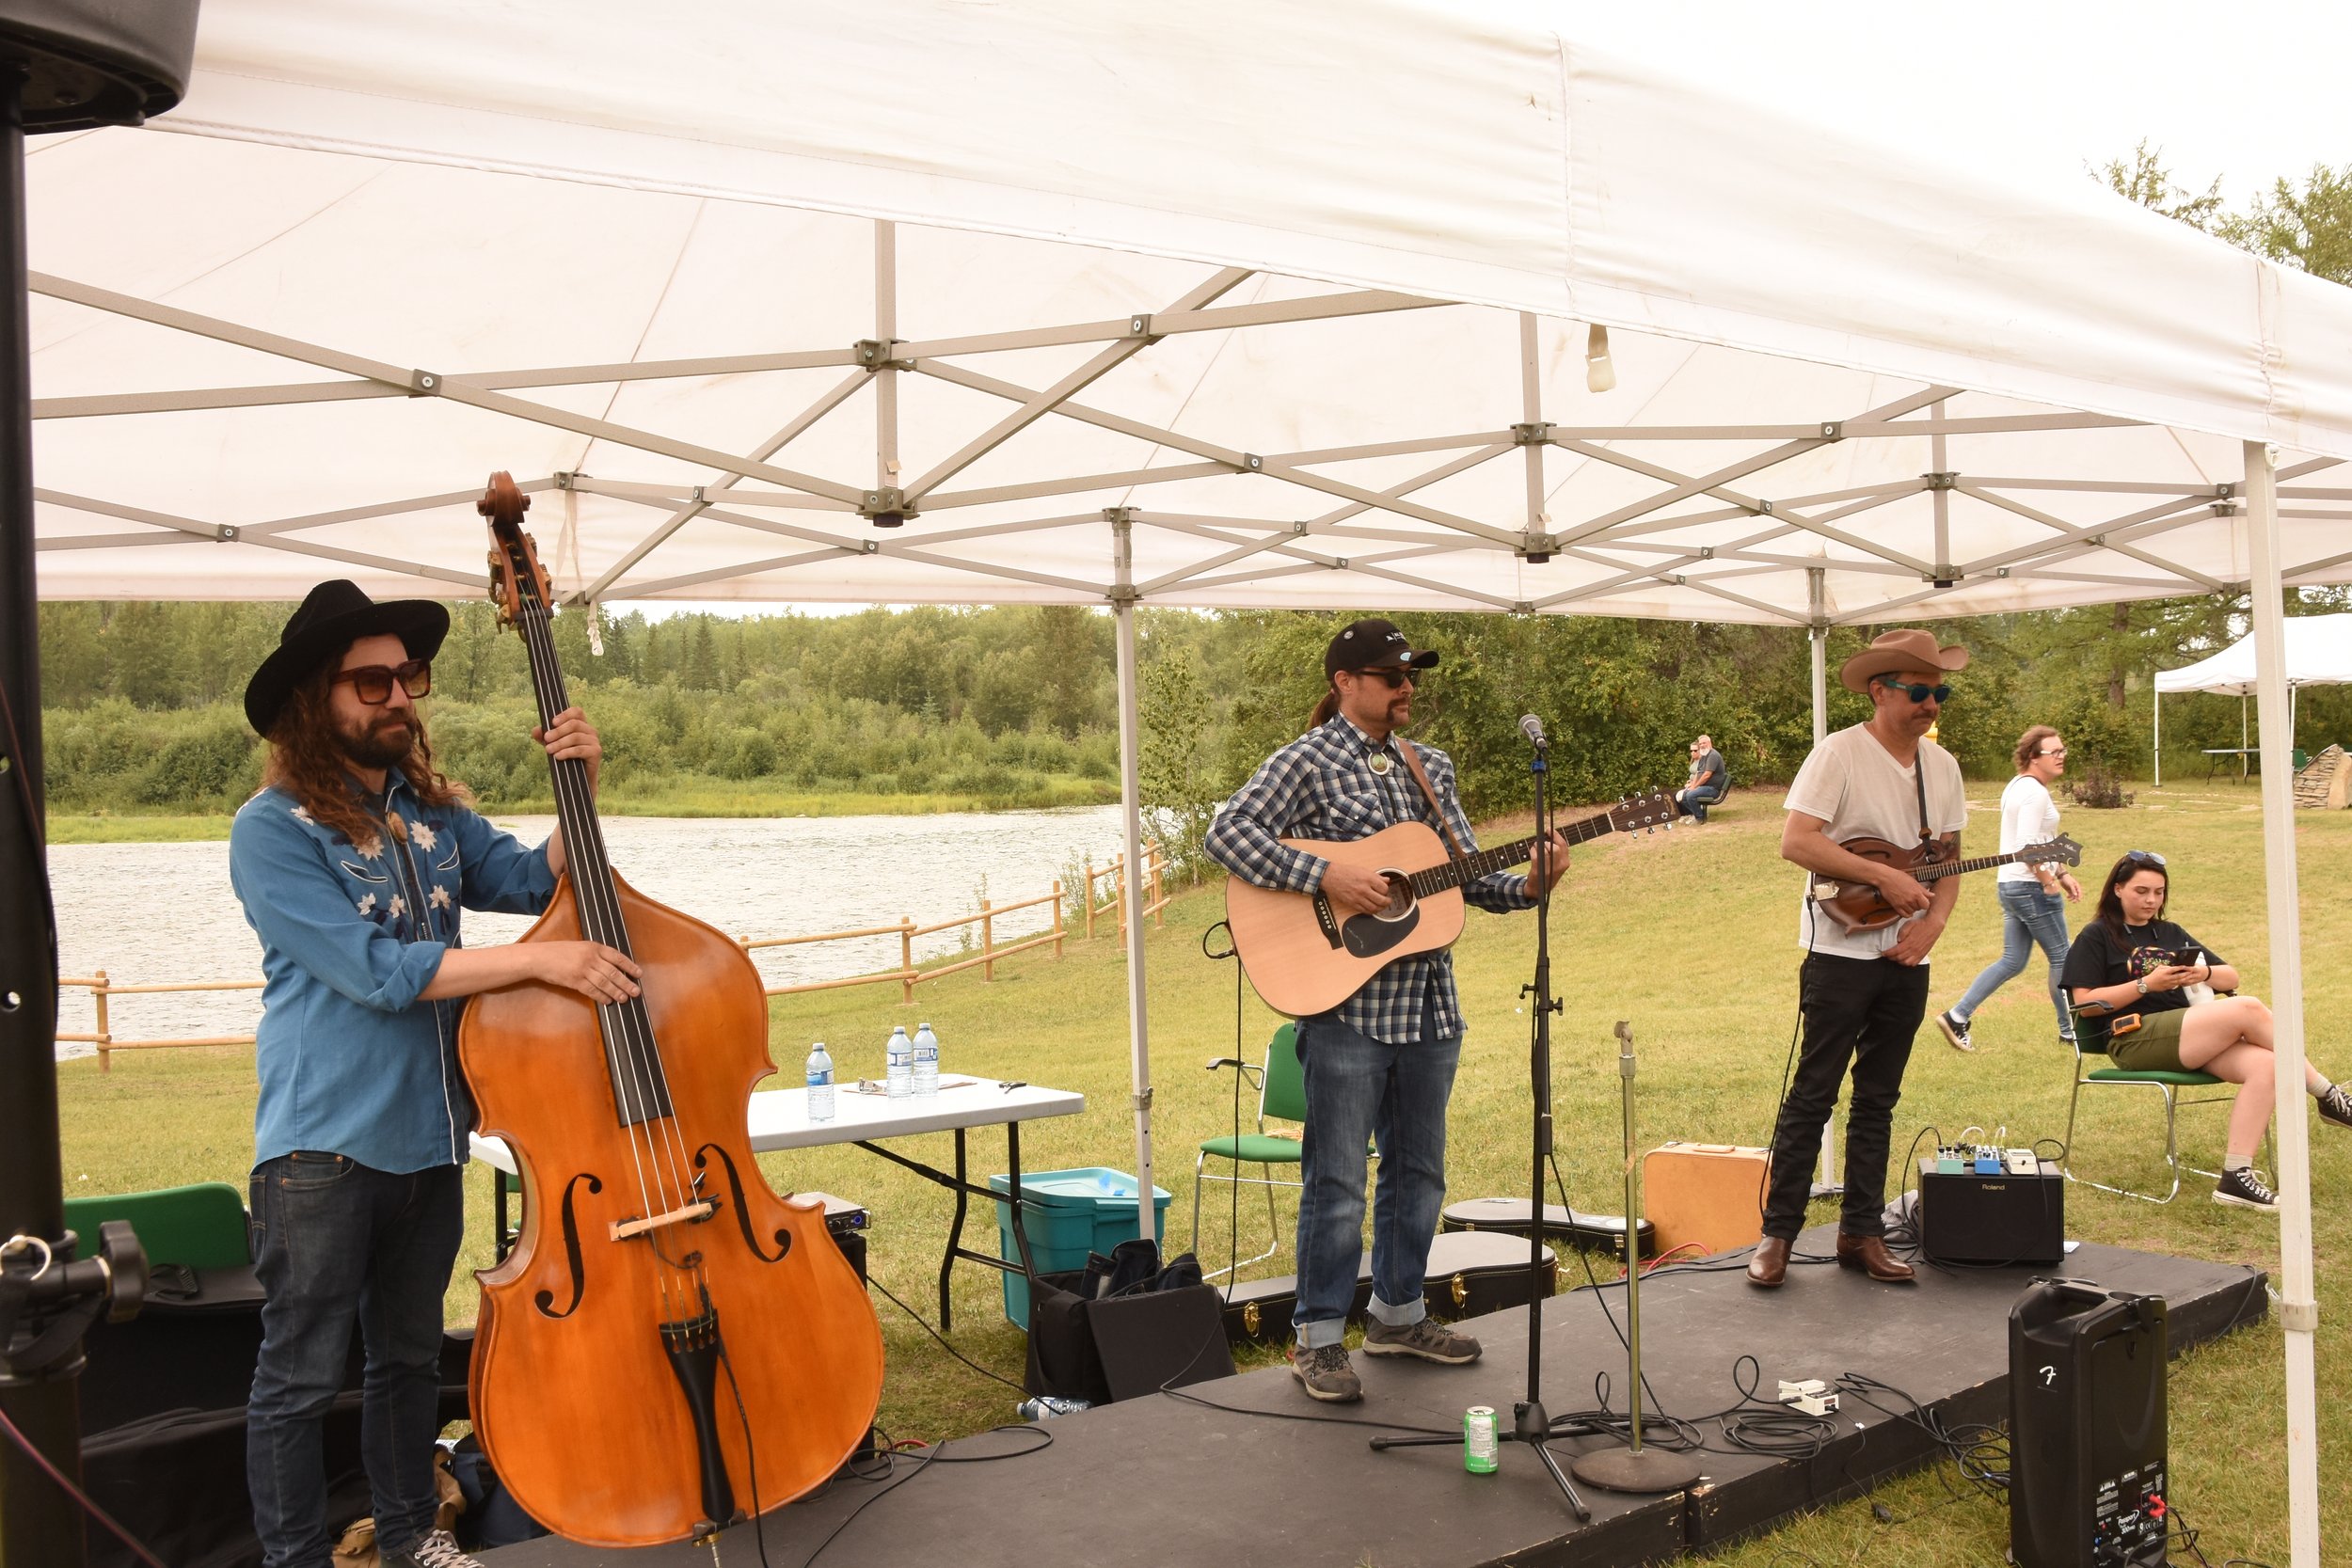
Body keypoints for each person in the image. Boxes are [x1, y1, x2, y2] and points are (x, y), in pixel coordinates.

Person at [230, 581, 641, 1568]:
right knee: (299, 1375)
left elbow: (534, 879)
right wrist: (542, 961)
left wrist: (579, 788)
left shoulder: (431, 810)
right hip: (319, 1150)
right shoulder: (273, 828)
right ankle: (291, 1560)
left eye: (406, 675)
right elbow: (377, 973)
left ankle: (413, 1534)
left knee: (408, 1360)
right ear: (312, 700)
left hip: (430, 1137)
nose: (396, 696)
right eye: (369, 679)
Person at [1204, 618, 1569, 1402]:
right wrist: (1325, 875)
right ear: (1345, 682)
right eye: (1391, 675)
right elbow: (1225, 830)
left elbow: (1466, 877)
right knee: (1335, 1182)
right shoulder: (1305, 761)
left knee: (1420, 1175)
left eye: (1412, 675)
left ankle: (1399, 1314)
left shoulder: (1428, 766)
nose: (1408, 687)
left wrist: (1532, 884)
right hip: (1344, 1010)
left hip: (1430, 1007)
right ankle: (1319, 1338)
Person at [1749, 629, 1969, 1290]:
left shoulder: (1944, 768)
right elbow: (1797, 840)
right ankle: (1778, 1234)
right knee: (1814, 1091)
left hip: (1907, 955)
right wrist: (1892, 883)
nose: (1931, 703)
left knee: (1879, 1096)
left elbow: (1951, 859)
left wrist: (1932, 922)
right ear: (1879, 690)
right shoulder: (1837, 754)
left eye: (1939, 691)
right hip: (1839, 949)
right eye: (1918, 690)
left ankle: (1861, 1230)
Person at [2060, 849, 2352, 1210]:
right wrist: (2145, 985)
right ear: (2118, 889)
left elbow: (2231, 976)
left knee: (2267, 1065)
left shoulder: (2169, 932)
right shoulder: (2097, 935)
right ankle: (2329, 1096)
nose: (2151, 900)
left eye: (2159, 892)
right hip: (2132, 1037)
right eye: (2141, 891)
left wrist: (2204, 974)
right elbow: (2085, 1003)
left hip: (2188, 1036)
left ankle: (2235, 1179)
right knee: (2248, 1008)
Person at [1933, 725, 2084, 1052]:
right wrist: (2047, 882)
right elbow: (2027, 846)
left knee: (2013, 961)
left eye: (2063, 751)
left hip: (2011, 884)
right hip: (2030, 887)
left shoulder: (2018, 786)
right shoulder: (2034, 793)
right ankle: (2071, 1031)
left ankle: (1957, 1016)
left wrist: (2061, 872)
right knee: (2063, 958)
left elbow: (2040, 840)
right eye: (2054, 752)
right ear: (2033, 757)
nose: (2061, 757)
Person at [1677, 734, 1728, 822]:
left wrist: (1695, 787)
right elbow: (1699, 773)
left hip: (1712, 789)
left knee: (1690, 795)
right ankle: (1694, 814)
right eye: (1700, 744)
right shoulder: (1704, 755)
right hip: (1704, 787)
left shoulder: (1713, 755)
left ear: (1710, 743)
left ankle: (1700, 818)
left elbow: (1707, 775)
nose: (1702, 745)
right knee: (1685, 794)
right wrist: (1692, 786)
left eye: (1704, 743)